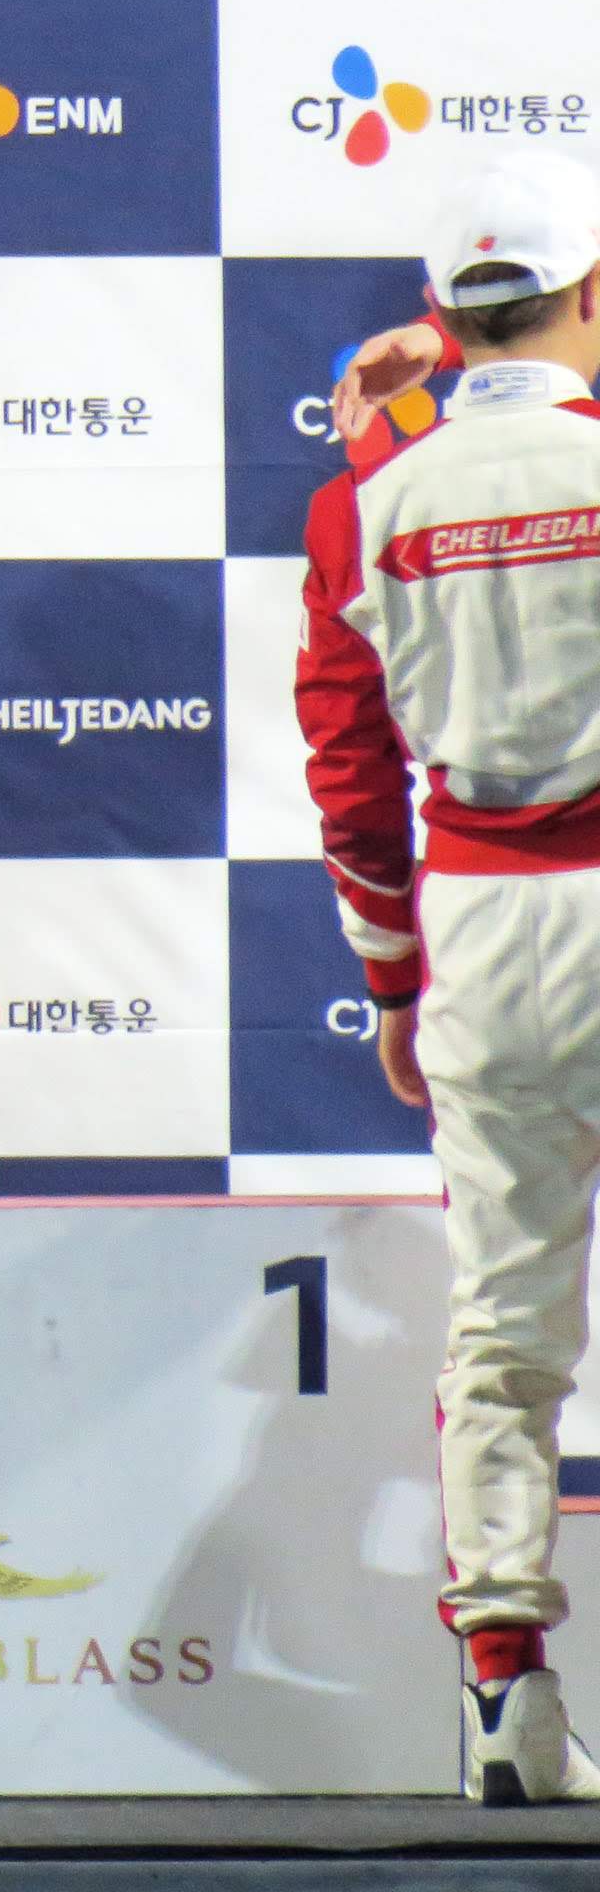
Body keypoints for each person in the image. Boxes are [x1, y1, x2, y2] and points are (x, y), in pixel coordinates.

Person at [298, 155, 600, 1804]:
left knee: (502, 1322)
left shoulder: (366, 500)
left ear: (438, 310)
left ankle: (505, 1707)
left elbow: (350, 771)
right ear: (592, 295)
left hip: (481, 929)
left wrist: (395, 980)